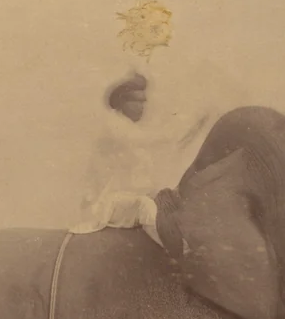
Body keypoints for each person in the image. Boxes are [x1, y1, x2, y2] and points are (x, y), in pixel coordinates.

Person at [71, 70, 211, 245]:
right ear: (122, 103)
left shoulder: (131, 130)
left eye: (143, 102)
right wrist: (193, 122)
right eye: (136, 101)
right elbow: (158, 139)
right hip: (105, 204)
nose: (142, 107)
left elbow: (170, 146)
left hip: (126, 201)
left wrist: (196, 128)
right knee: (144, 205)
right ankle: (181, 253)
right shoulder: (114, 127)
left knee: (172, 201)